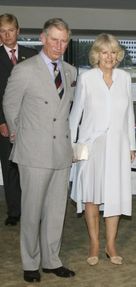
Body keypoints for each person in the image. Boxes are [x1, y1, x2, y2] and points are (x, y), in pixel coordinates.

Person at [3, 18, 77, 283]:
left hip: (61, 152)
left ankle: (51, 260)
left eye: (64, 40)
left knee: (57, 212)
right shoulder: (24, 69)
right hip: (33, 152)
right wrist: (19, 135)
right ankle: (30, 262)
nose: (59, 45)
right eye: (54, 39)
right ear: (43, 39)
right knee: (32, 211)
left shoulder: (70, 71)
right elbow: (10, 107)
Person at [69, 33, 136, 267]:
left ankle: (111, 245)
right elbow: (75, 114)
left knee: (114, 194)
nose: (109, 57)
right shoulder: (87, 78)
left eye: (113, 52)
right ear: (96, 55)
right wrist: (72, 147)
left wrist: (131, 144)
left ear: (118, 55)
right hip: (92, 146)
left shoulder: (125, 78)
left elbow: (129, 114)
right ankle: (94, 244)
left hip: (117, 146)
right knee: (91, 196)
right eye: (104, 52)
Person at [0, 13, 37, 226]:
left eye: (10, 30)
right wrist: (1, 121)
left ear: (18, 31)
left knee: (31, 168)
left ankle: (32, 210)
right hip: (5, 123)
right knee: (10, 167)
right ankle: (14, 211)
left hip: (31, 122)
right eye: (3, 31)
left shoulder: (32, 55)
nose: (7, 35)